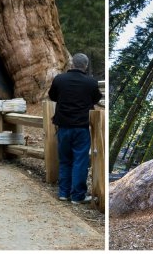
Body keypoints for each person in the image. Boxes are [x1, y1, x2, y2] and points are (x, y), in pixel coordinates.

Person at [48, 53, 102, 204]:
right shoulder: (91, 82)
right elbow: (97, 98)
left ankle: (63, 193)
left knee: (64, 160)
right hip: (81, 128)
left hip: (63, 127)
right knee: (80, 160)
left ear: (72, 64)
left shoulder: (60, 79)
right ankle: (77, 196)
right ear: (85, 65)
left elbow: (52, 96)